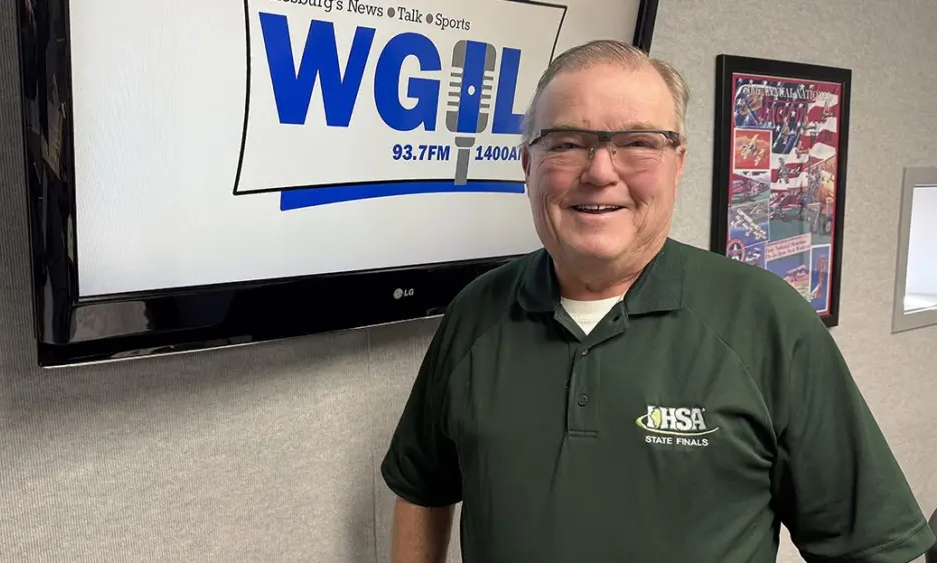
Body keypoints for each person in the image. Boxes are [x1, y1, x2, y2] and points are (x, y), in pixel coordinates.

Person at [380, 39, 935, 563]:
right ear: (529, 164)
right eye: (567, 142)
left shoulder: (767, 321)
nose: (600, 172)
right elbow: (422, 486)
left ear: (678, 163)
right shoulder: (475, 313)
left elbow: (871, 547)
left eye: (638, 143)